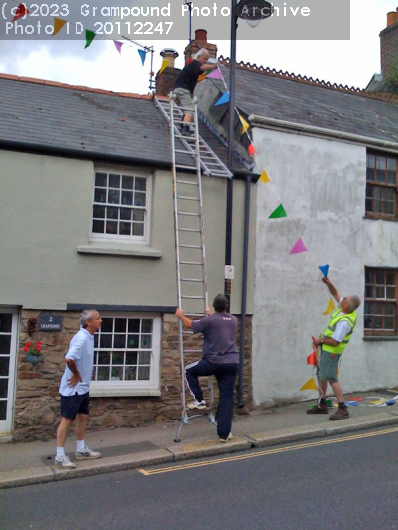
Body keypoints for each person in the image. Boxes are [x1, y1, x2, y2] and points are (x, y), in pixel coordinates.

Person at [175, 294, 239, 443]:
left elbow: (190, 325)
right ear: (227, 306)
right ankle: (224, 434)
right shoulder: (234, 320)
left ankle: (199, 400)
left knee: (188, 370)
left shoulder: (209, 321)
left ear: (214, 306)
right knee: (227, 398)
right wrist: (212, 315)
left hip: (214, 362)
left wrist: (181, 315)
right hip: (232, 363)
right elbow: (220, 322)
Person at [54, 309, 103, 469]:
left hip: (82, 388)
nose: (101, 321)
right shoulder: (81, 338)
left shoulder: (89, 336)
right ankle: (60, 456)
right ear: (89, 322)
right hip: (72, 388)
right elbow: (69, 358)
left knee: (82, 416)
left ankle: (80, 449)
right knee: (67, 420)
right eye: (98, 318)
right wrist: (76, 374)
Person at [307, 278, 361, 420]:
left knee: (332, 379)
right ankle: (322, 404)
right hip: (326, 350)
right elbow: (335, 293)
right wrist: (328, 283)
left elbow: (336, 341)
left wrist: (321, 340)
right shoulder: (345, 310)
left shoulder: (345, 322)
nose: (342, 298)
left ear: (346, 306)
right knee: (322, 375)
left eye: (346, 299)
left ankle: (343, 408)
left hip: (331, 352)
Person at [173, 48, 218, 135]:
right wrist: (213, 66)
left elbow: (202, 70)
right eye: (205, 59)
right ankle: (185, 128)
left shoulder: (192, 65)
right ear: (199, 56)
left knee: (188, 105)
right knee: (189, 109)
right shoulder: (195, 63)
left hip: (178, 89)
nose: (206, 61)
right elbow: (202, 68)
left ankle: (183, 123)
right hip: (183, 90)